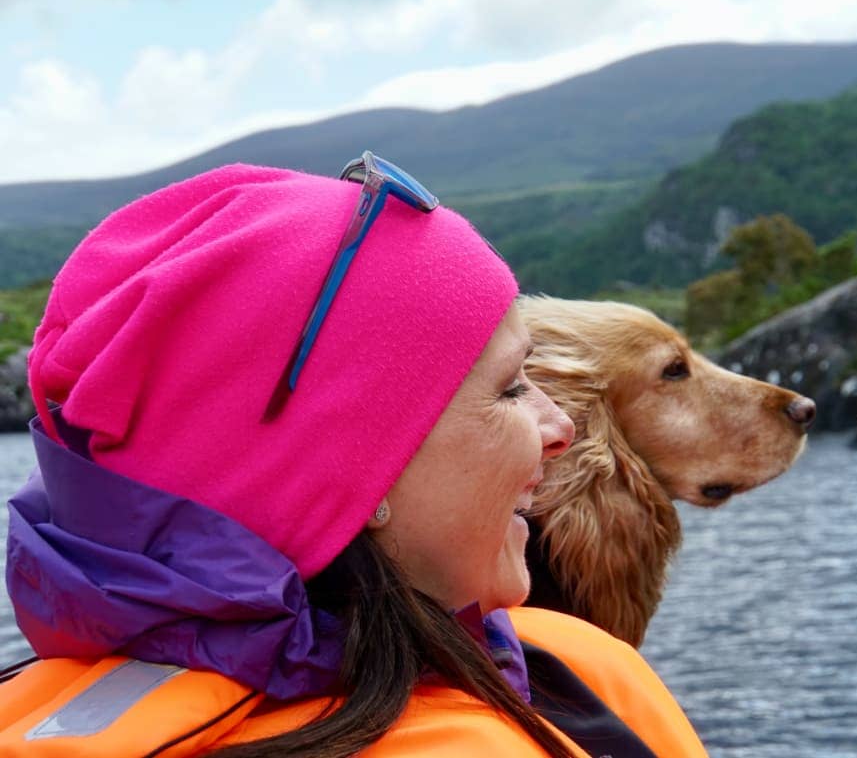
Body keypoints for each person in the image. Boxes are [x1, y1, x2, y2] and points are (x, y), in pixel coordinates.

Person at [0, 153, 708, 757]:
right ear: (350, 478)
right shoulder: (552, 688)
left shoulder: (40, 705)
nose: (560, 426)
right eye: (512, 387)